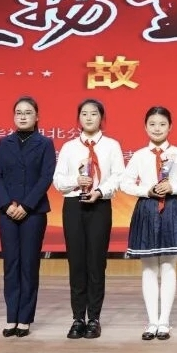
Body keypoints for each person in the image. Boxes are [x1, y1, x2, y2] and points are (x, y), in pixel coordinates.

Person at [122, 106, 177, 341]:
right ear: (145, 127)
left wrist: (172, 187)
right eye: (152, 124)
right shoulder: (139, 155)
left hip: (171, 208)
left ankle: (164, 322)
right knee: (148, 268)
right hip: (147, 209)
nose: (157, 128)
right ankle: (151, 322)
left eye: (162, 124)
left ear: (170, 127)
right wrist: (147, 190)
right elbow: (125, 183)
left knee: (168, 266)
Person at [53, 99, 124, 340]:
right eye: (84, 114)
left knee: (96, 262)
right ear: (79, 118)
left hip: (99, 205)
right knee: (76, 263)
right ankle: (77, 318)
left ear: (101, 118)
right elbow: (58, 180)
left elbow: (118, 177)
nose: (89, 118)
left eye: (94, 114)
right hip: (73, 205)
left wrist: (100, 191)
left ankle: (94, 318)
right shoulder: (69, 147)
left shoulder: (112, 146)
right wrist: (76, 181)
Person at [0, 96, 57, 338]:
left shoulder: (45, 143)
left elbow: (46, 177)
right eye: (18, 112)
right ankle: (11, 317)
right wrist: (6, 204)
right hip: (7, 212)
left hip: (33, 212)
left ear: (37, 117)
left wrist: (27, 205)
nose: (22, 116)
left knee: (29, 265)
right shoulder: (3, 143)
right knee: (11, 265)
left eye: (28, 112)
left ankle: (25, 319)